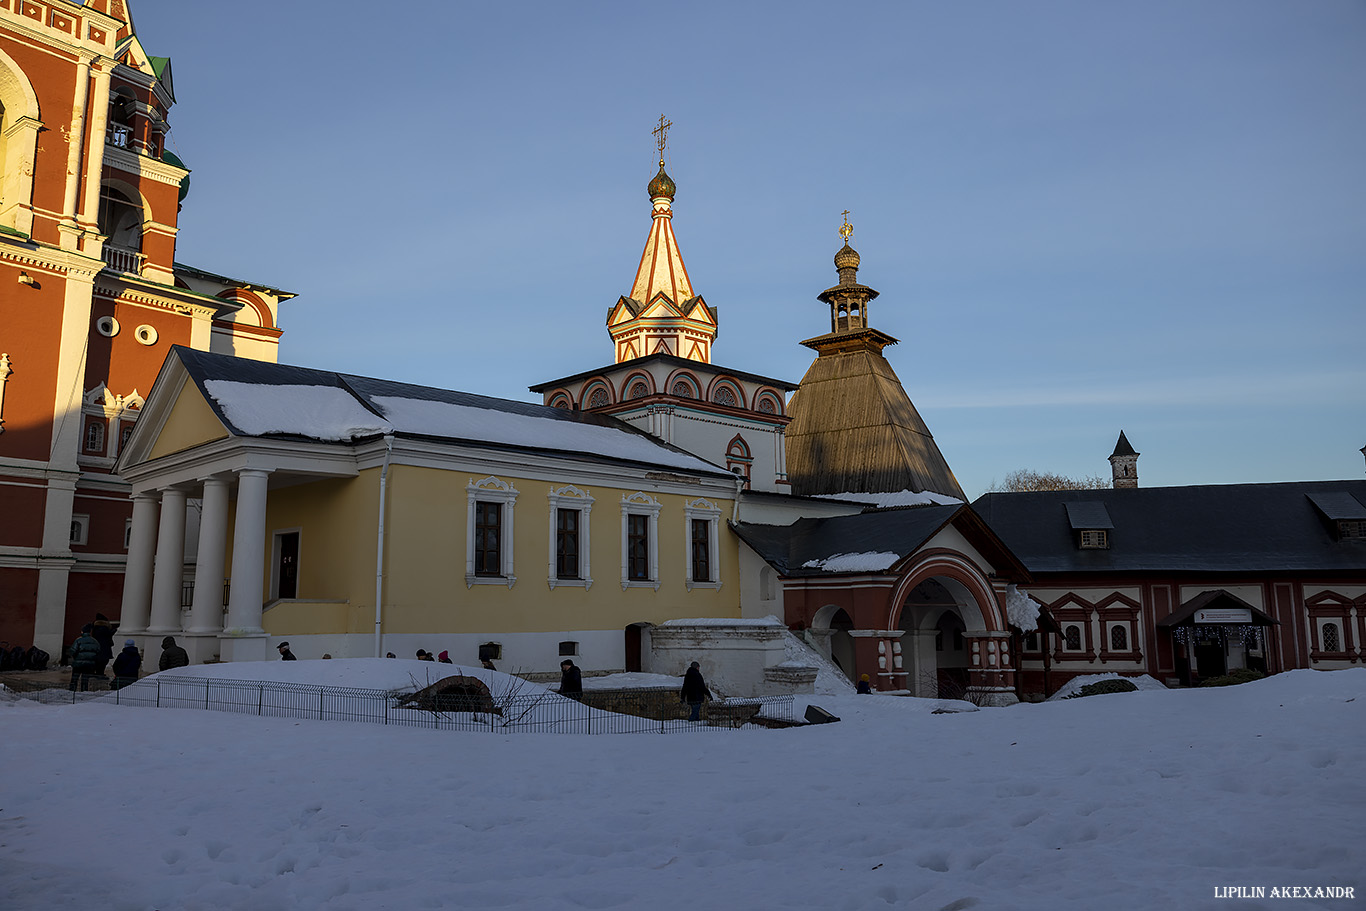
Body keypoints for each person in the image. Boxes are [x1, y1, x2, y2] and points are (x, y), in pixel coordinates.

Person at [69, 625, 101, 691]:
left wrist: (76, 658)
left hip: (78, 663)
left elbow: (73, 651)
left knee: (75, 678)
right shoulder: (95, 641)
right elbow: (98, 652)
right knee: (85, 679)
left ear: (82, 632)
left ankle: (72, 690)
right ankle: (84, 691)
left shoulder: (78, 640)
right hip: (89, 664)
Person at [91, 613, 115, 679]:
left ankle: (97, 673)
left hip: (98, 648)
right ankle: (99, 674)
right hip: (104, 648)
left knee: (99, 661)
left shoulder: (95, 628)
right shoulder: (104, 628)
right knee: (103, 662)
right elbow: (109, 634)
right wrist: (114, 630)